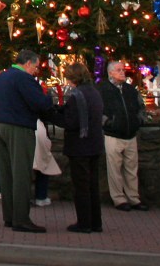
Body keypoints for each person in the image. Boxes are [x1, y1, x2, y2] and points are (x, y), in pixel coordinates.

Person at [0, 49, 52, 233]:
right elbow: (39, 103)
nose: (36, 71)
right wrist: (48, 99)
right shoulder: (23, 78)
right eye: (36, 67)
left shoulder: (1, 77)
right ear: (28, 63)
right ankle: (21, 219)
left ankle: (10, 216)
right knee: (21, 173)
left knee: (6, 173)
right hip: (17, 126)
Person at [53, 62, 104, 234]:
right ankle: (95, 221)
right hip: (94, 144)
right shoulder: (94, 92)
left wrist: (55, 116)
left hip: (80, 145)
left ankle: (84, 223)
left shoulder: (78, 96)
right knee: (92, 185)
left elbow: (71, 122)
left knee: (81, 186)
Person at [98, 61, 149, 211]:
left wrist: (139, 120)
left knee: (131, 168)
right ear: (111, 73)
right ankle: (119, 198)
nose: (122, 73)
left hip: (130, 133)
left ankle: (133, 197)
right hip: (113, 134)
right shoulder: (103, 90)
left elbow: (141, 107)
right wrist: (108, 123)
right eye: (118, 70)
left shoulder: (130, 90)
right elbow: (98, 110)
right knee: (114, 168)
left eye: (123, 70)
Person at [33, 119, 60, 206]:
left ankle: (20, 198)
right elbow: (56, 105)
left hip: (23, 128)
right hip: (40, 129)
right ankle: (41, 196)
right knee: (43, 165)